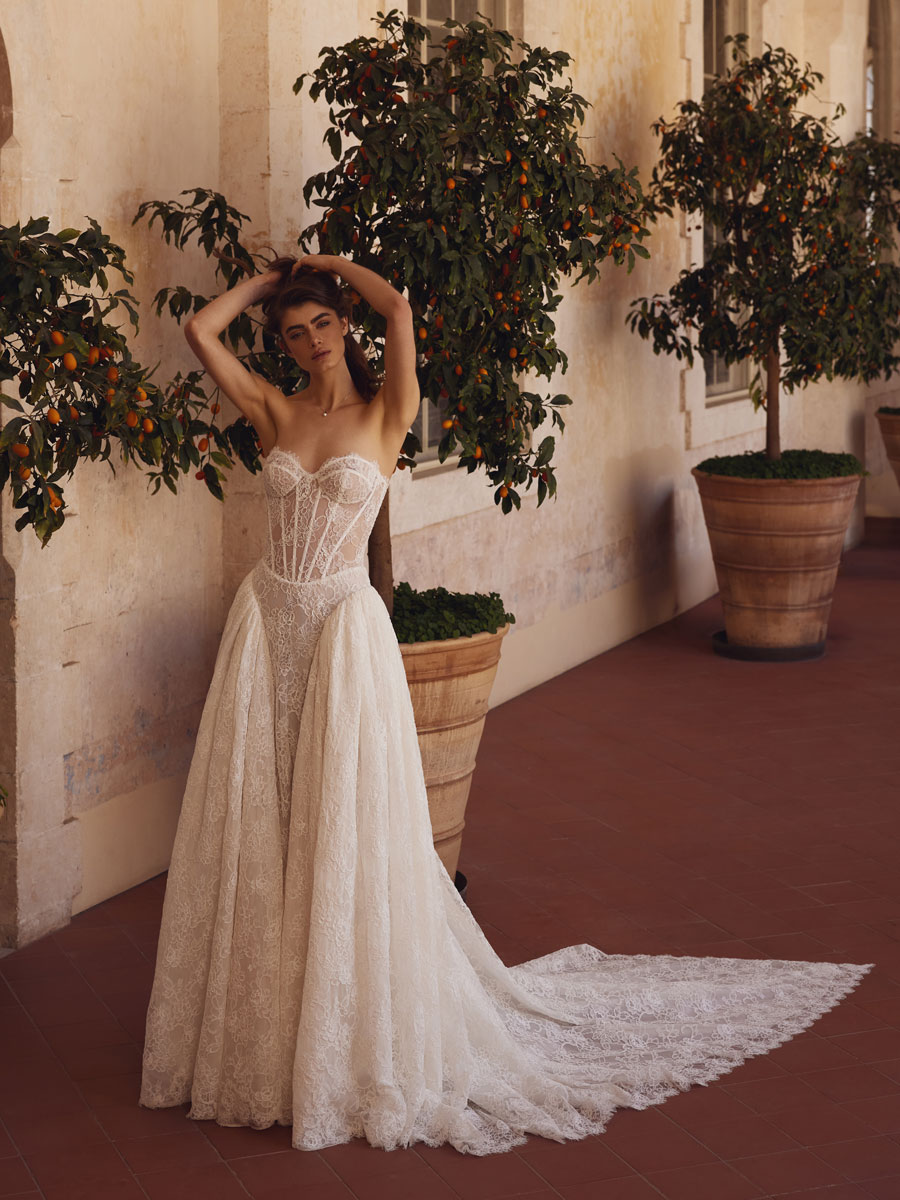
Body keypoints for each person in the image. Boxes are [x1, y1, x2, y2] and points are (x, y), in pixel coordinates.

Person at [140, 252, 872, 1156]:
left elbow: (401, 305)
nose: (310, 340)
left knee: (340, 821)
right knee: (266, 819)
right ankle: (266, 1027)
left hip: (340, 632)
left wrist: (325, 267)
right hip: (268, 625)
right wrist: (264, 288)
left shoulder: (388, 415)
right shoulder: (275, 409)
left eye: (321, 324)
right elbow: (197, 333)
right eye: (293, 332)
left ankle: (342, 1034)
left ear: (342, 327)